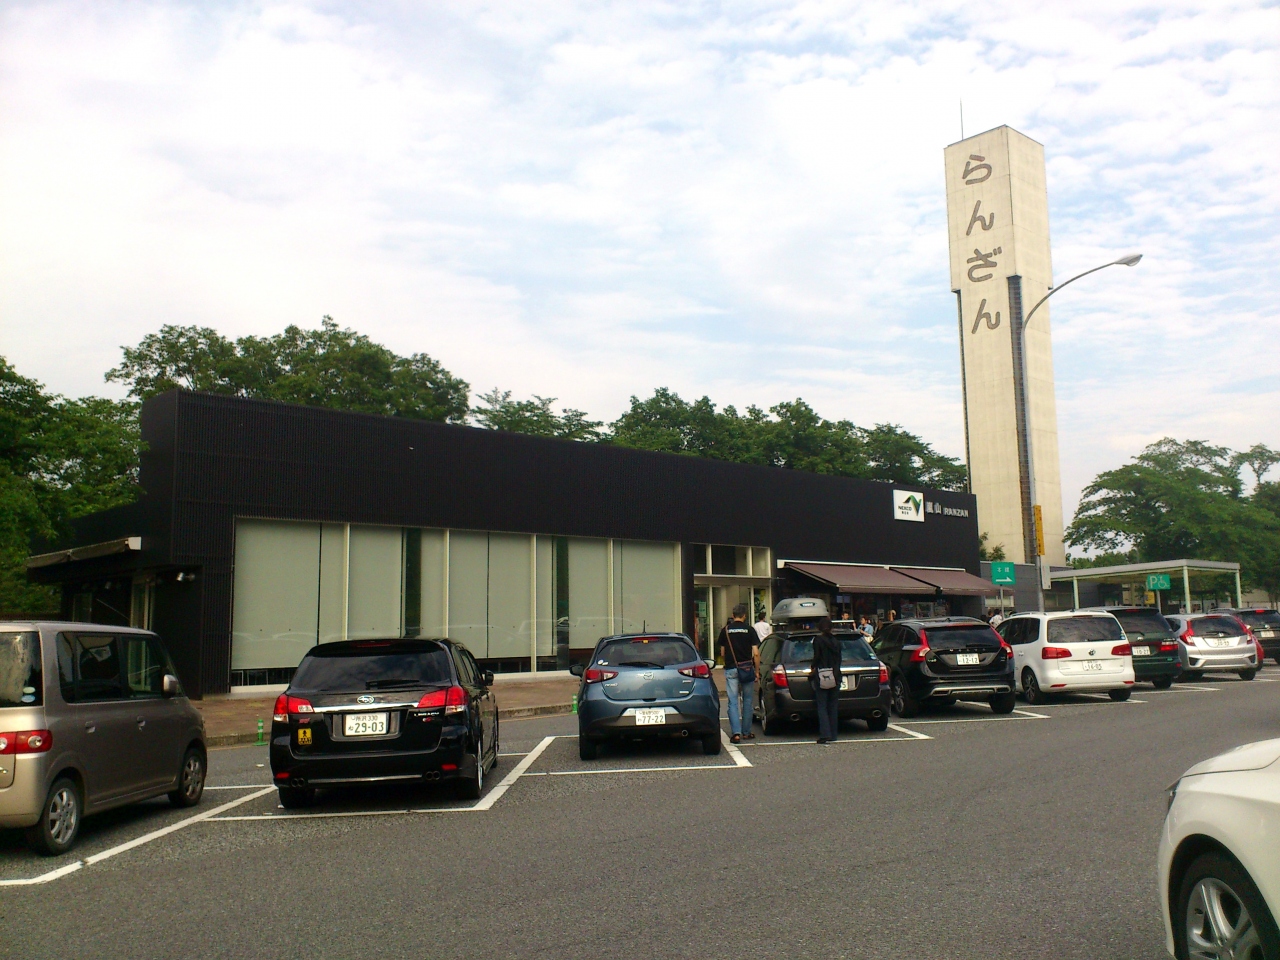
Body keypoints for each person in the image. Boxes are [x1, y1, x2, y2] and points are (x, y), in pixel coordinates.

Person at [718, 603, 759, 744]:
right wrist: (757, 671)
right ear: (744, 616)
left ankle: (736, 733)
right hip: (747, 669)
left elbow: (722, 652)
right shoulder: (750, 630)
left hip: (731, 669)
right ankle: (746, 732)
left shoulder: (726, 630)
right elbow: (756, 653)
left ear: (733, 615)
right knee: (747, 701)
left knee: (732, 701)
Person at [810, 616, 843, 744]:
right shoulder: (836, 642)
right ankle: (833, 734)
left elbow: (817, 657)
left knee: (822, 705)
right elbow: (839, 659)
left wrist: (812, 666)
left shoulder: (818, 640)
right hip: (836, 674)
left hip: (823, 674)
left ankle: (825, 734)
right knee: (833, 705)